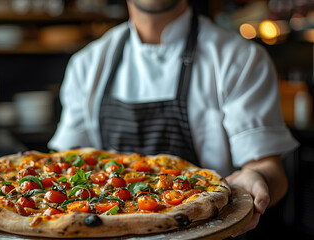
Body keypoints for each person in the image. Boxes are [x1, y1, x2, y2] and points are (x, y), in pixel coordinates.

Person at [48, 0, 299, 236]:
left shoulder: (240, 58)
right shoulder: (87, 64)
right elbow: (67, 168)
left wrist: (258, 179)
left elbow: (268, 168)